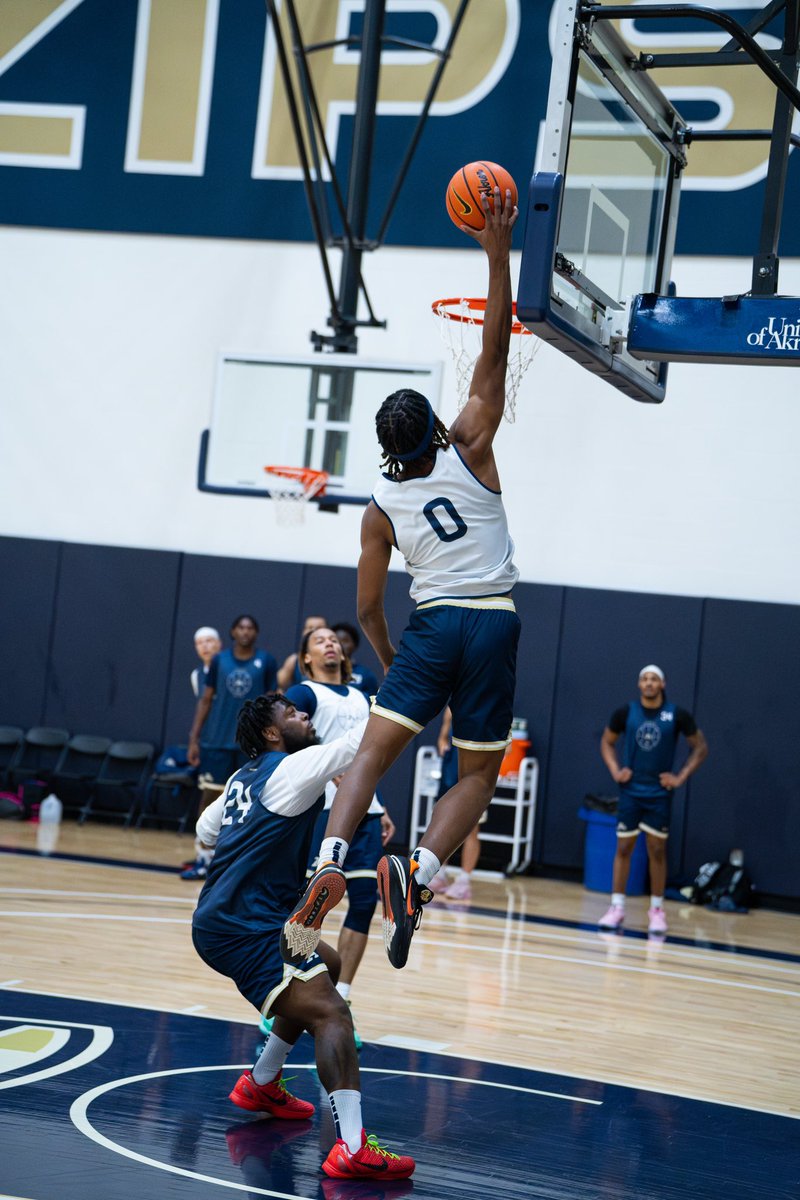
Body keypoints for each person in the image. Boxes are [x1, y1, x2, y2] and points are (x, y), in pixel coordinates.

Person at [282, 185, 521, 971]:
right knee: (478, 772)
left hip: (427, 627)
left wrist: (392, 660)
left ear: (390, 447)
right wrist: (495, 251)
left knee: (370, 757)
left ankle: (328, 864)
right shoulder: (472, 443)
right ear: (434, 430)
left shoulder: (380, 508)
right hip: (490, 618)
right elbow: (492, 352)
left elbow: (362, 604)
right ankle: (417, 872)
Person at [191, 693, 414, 1181]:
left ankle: (262, 1082)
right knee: (332, 1011)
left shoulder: (240, 779)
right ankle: (353, 1148)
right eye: (291, 714)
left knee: (326, 965)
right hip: (244, 927)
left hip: (237, 918)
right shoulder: (293, 769)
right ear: (273, 734)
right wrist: (398, 697)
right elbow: (362, 743)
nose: (303, 715)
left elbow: (205, 832)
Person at [282, 626, 395, 1044]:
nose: (330, 643)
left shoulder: (364, 696)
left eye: (333, 638)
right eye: (319, 640)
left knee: (365, 900)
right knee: (314, 904)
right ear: (306, 657)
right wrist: (328, 771)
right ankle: (291, 995)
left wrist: (380, 804)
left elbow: (369, 758)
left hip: (366, 810)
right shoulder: (305, 694)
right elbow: (283, 741)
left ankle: (341, 1000)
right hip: (324, 812)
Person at [598, 665, 709, 935]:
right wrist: (615, 770)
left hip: (658, 794)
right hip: (631, 791)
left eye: (654, 679)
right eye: (644, 679)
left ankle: (657, 910)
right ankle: (617, 907)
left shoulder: (676, 714)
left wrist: (680, 777)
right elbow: (606, 742)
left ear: (662, 684)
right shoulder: (626, 712)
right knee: (623, 848)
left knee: (656, 851)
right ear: (639, 685)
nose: (649, 683)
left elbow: (701, 747)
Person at [183, 616, 277, 881]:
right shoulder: (219, 661)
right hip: (217, 741)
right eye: (241, 627)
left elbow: (271, 704)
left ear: (256, 632)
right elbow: (205, 700)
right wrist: (194, 738)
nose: (245, 631)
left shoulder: (266, 661)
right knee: (209, 799)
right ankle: (203, 859)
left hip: (251, 745)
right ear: (233, 631)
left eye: (250, 627)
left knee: (251, 806)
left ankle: (238, 864)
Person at [427, 707, 482, 902]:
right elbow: (443, 736)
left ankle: (464, 880)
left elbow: (505, 746)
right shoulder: (452, 708)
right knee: (444, 824)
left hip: (473, 777)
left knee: (471, 829)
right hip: (449, 773)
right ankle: (440, 874)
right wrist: (442, 743)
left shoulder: (487, 705)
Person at [277, 614, 327, 691]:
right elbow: (281, 686)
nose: (313, 631)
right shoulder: (294, 660)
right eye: (310, 627)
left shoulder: (334, 659)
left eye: (319, 628)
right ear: (303, 631)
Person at [331, 621, 379, 698]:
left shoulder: (366, 675)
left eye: (345, 641)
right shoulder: (322, 672)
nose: (340, 645)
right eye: (335, 641)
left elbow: (372, 704)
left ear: (354, 645)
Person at [190, 626, 222, 698]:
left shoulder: (231, 670)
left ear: (219, 643)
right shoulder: (196, 674)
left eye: (208, 641)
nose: (204, 646)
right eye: (199, 643)